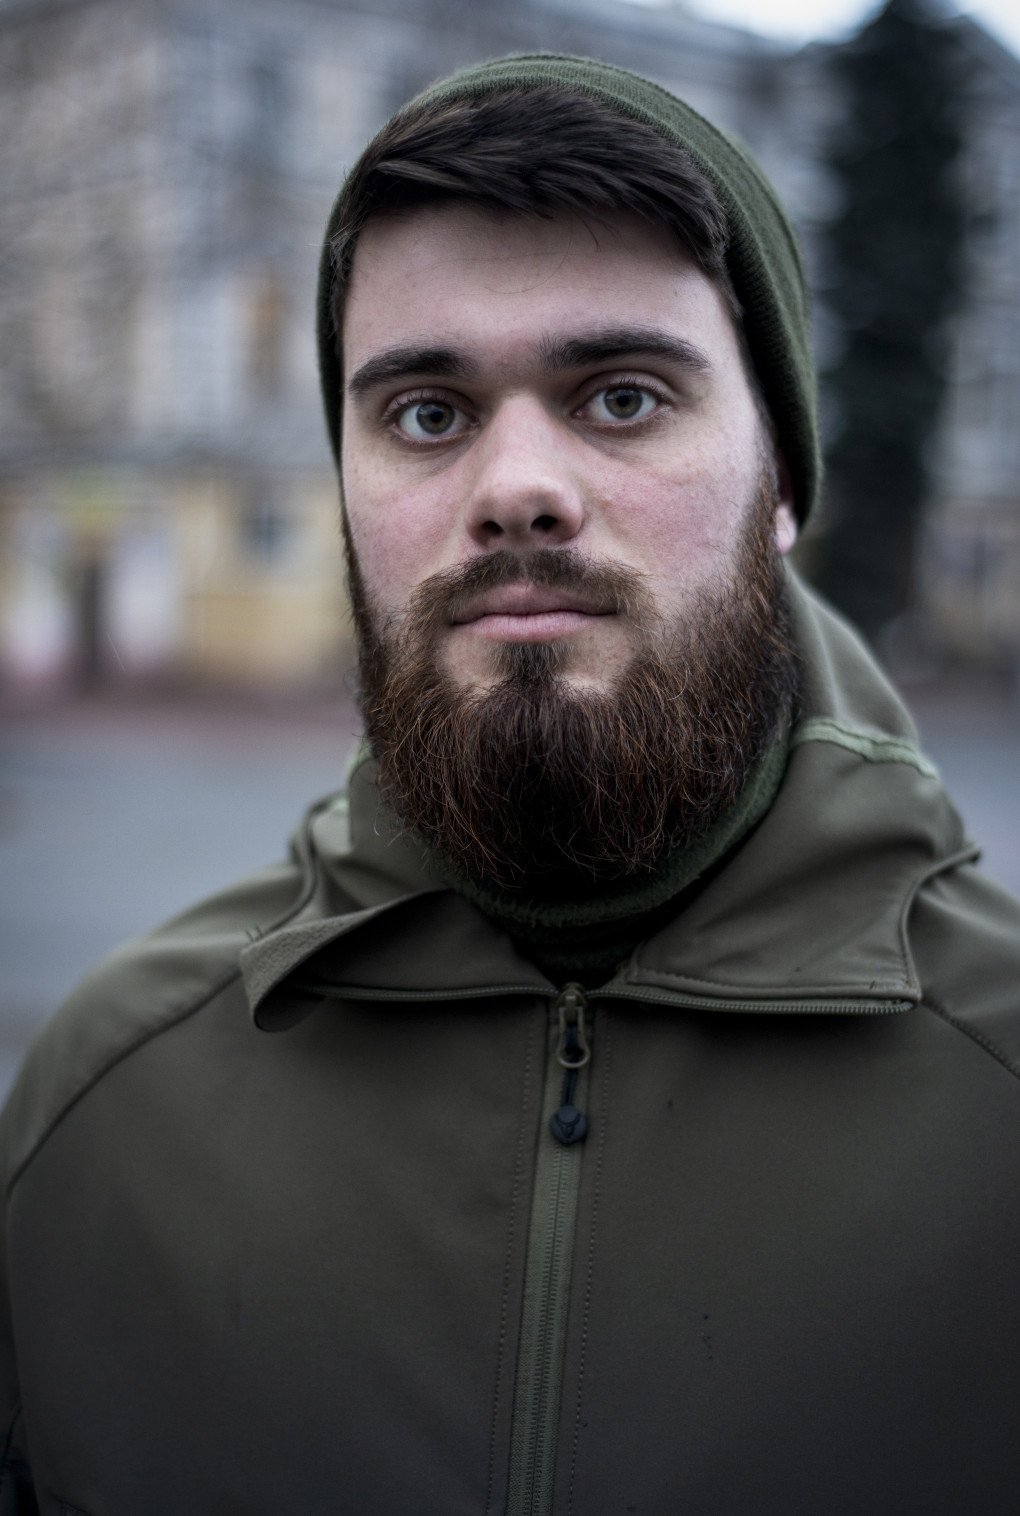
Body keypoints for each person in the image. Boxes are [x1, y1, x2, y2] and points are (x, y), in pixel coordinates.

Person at [2, 54, 1019, 1516]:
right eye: (427, 413)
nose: (515, 488)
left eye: (622, 397)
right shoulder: (101, 1117)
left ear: (782, 485)